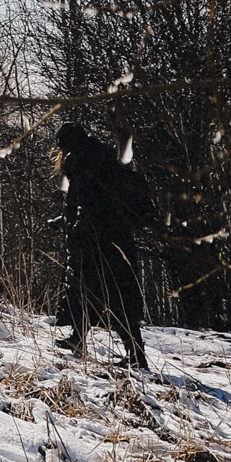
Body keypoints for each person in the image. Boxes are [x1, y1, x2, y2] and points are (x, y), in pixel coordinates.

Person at [55, 122, 152, 369]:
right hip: (118, 237)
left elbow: (82, 200)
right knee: (111, 293)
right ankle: (83, 340)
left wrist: (73, 224)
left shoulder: (79, 161)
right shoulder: (104, 157)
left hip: (96, 240)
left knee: (93, 290)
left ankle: (136, 357)